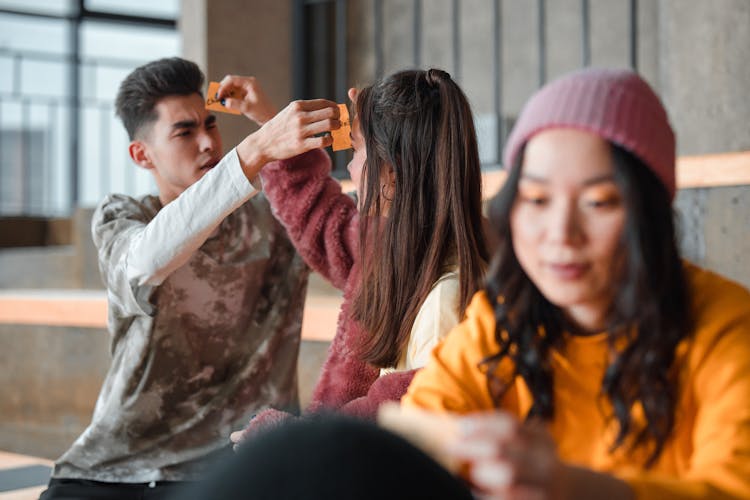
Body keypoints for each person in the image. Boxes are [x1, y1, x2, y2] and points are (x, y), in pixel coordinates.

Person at [400, 68, 750, 498]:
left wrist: (570, 487)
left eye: (599, 202)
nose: (561, 233)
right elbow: (417, 429)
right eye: (537, 200)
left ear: (650, 213)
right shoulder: (502, 317)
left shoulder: (727, 326)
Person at [40, 57, 339, 499]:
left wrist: (267, 118)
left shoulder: (269, 221)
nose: (207, 142)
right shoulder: (123, 217)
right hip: (117, 467)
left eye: (211, 125)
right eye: (184, 131)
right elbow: (146, 261)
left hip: (239, 462)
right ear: (142, 154)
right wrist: (253, 150)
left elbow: (322, 210)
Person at [229, 68, 489, 438]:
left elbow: (399, 440)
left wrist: (290, 442)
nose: (350, 168)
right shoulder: (391, 250)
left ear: (393, 175)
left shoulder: (445, 301)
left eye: (356, 149)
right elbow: (323, 223)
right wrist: (272, 127)